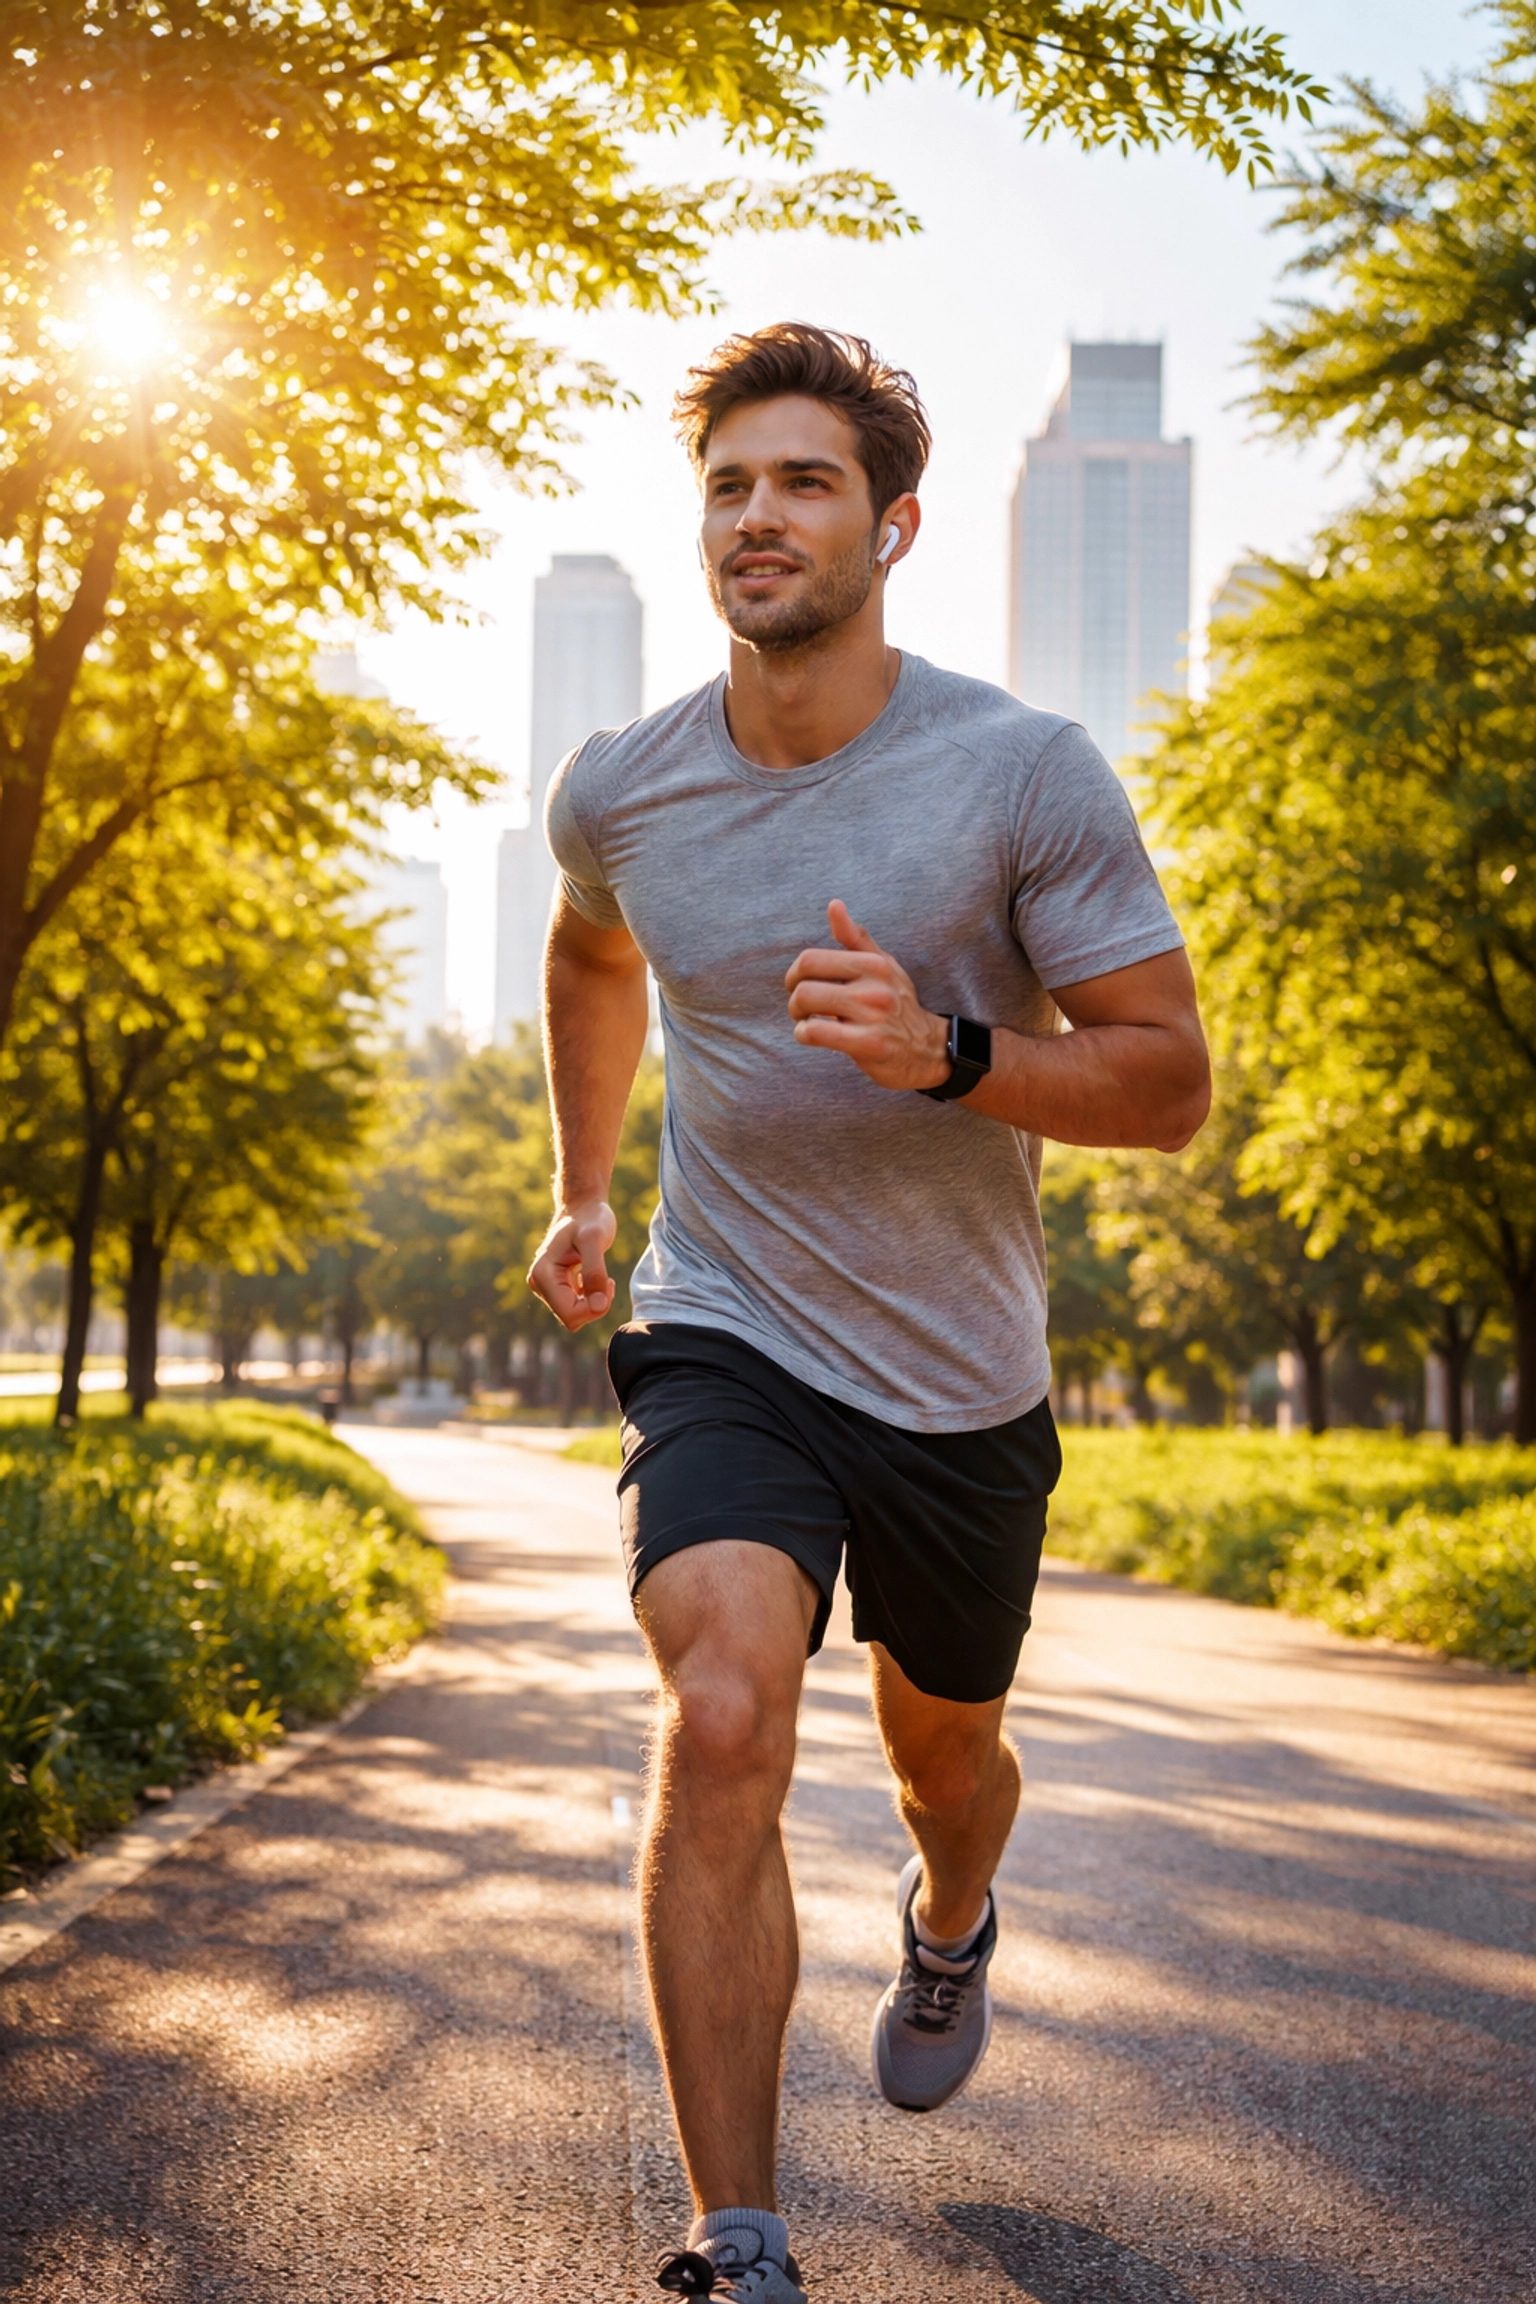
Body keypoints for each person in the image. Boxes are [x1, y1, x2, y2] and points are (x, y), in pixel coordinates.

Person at [528, 322, 1210, 2302]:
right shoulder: (627, 790)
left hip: (959, 1380)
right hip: (726, 1325)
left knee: (948, 1760)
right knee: (724, 1699)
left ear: (894, 526)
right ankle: (739, 2242)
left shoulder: (1018, 775)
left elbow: (1166, 1084)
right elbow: (591, 956)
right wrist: (581, 1186)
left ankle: (953, 1909)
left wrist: (947, 1055)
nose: (759, 516)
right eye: (732, 483)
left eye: (804, 480)